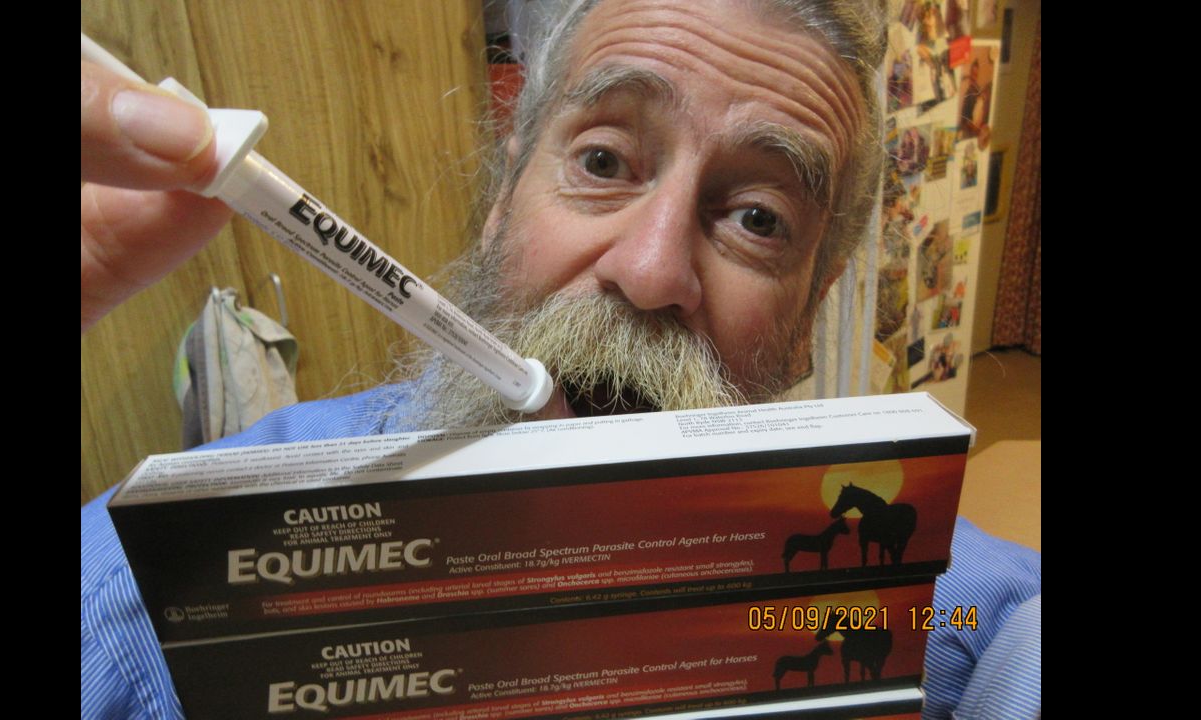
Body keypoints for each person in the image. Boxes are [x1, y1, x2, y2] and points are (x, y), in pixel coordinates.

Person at [82, 2, 1040, 718]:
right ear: (503, 201)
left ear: (806, 323)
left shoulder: (931, 611)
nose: (651, 271)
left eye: (758, 217)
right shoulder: (142, 604)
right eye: (603, 161)